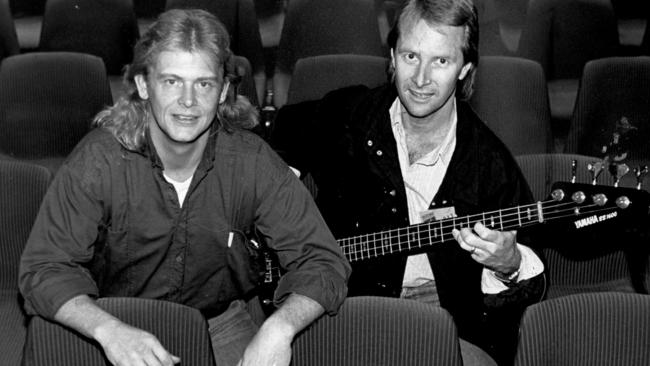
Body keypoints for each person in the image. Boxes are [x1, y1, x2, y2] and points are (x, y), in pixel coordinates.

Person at [19, 9, 350, 366]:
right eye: (172, 81)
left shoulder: (252, 161)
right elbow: (44, 269)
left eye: (204, 83)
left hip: (219, 325)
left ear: (223, 90)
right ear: (144, 85)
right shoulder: (98, 160)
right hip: (117, 320)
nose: (188, 102)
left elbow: (323, 260)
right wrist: (108, 330)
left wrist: (279, 328)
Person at [270, 0, 545, 365]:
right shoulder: (348, 114)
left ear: (465, 69)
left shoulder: (490, 163)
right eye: (411, 56)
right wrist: (273, 208)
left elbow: (534, 283)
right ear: (392, 56)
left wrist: (508, 263)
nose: (420, 79)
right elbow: (273, 142)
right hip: (342, 304)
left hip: (444, 319)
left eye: (441, 61)